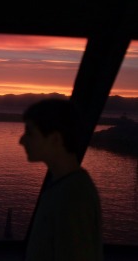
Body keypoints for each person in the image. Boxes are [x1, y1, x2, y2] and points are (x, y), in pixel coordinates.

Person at [19, 98, 103, 261]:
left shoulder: (73, 197)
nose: (21, 140)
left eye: (30, 132)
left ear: (55, 139)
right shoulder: (66, 186)